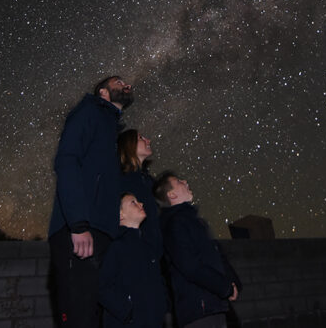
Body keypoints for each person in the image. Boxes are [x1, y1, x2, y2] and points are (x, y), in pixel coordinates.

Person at [49, 76, 134, 328]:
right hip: (81, 231)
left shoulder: (110, 130)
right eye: (119, 81)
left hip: (101, 232)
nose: (127, 84)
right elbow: (67, 161)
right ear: (103, 93)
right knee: (80, 318)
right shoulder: (89, 111)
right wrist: (78, 223)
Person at [154, 172, 241, 328]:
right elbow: (191, 266)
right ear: (172, 194)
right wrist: (225, 287)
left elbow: (216, 256)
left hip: (213, 306)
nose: (185, 181)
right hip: (199, 310)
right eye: (179, 182)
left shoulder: (194, 222)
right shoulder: (175, 224)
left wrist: (233, 282)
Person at [98, 193, 167, 328]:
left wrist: (162, 306)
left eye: (139, 201)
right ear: (121, 215)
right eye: (133, 202)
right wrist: (127, 311)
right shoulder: (117, 247)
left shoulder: (148, 248)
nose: (141, 204)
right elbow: (102, 286)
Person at [117, 129, 161, 248]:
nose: (148, 140)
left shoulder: (149, 181)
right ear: (129, 145)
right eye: (141, 138)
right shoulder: (121, 181)